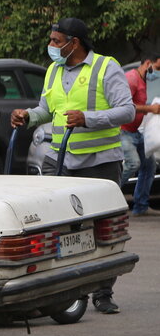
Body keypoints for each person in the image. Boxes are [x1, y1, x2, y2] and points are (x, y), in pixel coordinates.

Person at [10, 17, 134, 314]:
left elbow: (127, 110)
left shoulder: (106, 67)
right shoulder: (53, 70)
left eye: (55, 41)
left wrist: (88, 118)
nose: (50, 46)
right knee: (60, 227)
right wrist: (27, 117)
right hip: (60, 161)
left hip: (99, 163)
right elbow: (46, 109)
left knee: (104, 227)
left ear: (73, 42)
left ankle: (103, 293)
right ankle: (64, 289)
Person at [120, 55, 160, 217]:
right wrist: (150, 109)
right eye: (157, 68)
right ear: (148, 64)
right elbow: (125, 106)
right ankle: (106, 197)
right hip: (124, 131)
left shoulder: (142, 80)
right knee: (132, 164)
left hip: (135, 132)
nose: (157, 73)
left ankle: (141, 206)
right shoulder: (131, 79)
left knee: (149, 165)